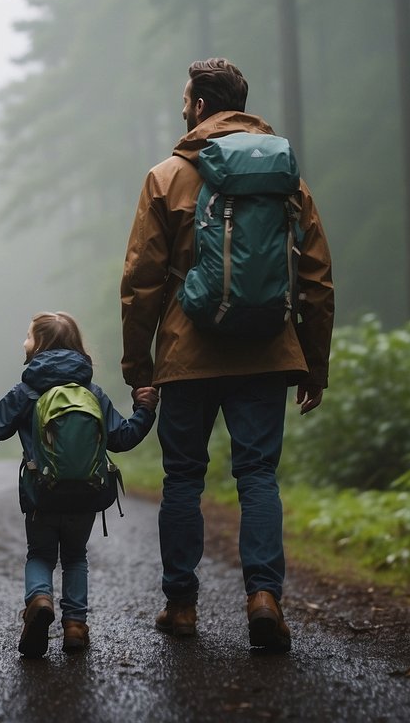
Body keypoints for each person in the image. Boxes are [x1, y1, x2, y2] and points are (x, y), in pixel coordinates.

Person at [120, 58, 334, 652]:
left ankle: (182, 608)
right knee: (258, 476)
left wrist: (139, 365)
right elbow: (316, 275)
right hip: (268, 349)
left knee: (182, 478)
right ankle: (264, 598)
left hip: (188, 353)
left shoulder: (166, 176)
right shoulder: (286, 175)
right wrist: (314, 360)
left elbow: (141, 280)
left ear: (198, 106)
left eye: (185, 99)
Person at [0, 311, 158, 658]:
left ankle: (40, 599)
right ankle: (75, 626)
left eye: (28, 336)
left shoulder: (26, 392)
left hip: (41, 496)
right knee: (75, 556)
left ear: (40, 345)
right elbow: (122, 438)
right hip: (87, 494)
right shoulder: (92, 392)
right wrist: (145, 409)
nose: (24, 342)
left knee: (41, 554)